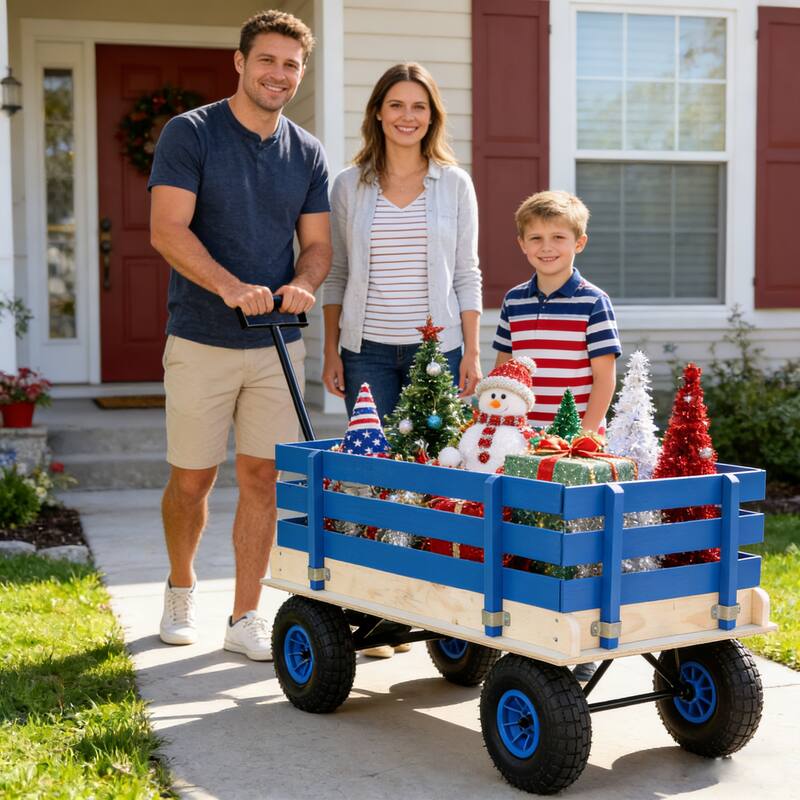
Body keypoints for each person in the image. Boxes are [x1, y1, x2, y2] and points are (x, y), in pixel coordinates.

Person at [148, 10, 331, 661]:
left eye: (291, 64)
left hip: (276, 343)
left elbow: (316, 245)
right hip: (201, 339)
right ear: (240, 61)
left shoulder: (306, 151)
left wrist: (306, 281)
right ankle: (179, 588)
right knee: (192, 481)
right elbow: (167, 229)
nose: (278, 74)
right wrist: (229, 287)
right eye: (268, 61)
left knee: (261, 479)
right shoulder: (191, 133)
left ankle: (245, 614)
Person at [321, 62, 483, 657]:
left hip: (436, 354)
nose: (407, 116)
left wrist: (471, 349)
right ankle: (374, 609)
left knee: (432, 474)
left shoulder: (453, 184)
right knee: (373, 474)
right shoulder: (349, 185)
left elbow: (467, 272)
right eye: (396, 105)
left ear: (432, 115)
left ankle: (430, 598)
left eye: (418, 106)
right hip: (366, 351)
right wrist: (332, 348)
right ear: (379, 113)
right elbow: (335, 274)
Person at [493, 190, 621, 681]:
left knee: (573, 538)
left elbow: (603, 376)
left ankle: (578, 644)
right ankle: (528, 629)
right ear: (523, 244)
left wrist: (583, 438)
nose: (547, 247)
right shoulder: (515, 301)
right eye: (536, 238)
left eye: (558, 238)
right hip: (522, 440)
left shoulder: (593, 301)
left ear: (579, 243)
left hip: (575, 446)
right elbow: (504, 370)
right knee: (526, 529)